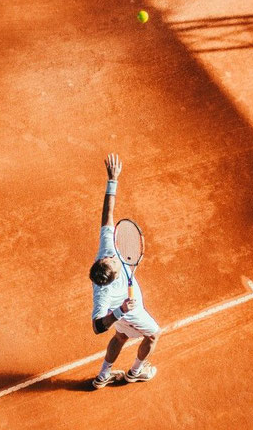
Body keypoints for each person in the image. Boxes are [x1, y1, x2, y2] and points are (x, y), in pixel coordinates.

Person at [88, 154, 161, 389]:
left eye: (109, 258)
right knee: (153, 335)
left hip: (121, 314)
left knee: (120, 336)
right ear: (114, 276)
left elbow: (107, 216)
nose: (113, 257)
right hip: (129, 312)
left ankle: (102, 376)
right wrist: (120, 311)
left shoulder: (106, 252)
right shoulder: (103, 294)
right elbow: (98, 326)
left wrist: (113, 180)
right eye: (113, 262)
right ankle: (135, 372)